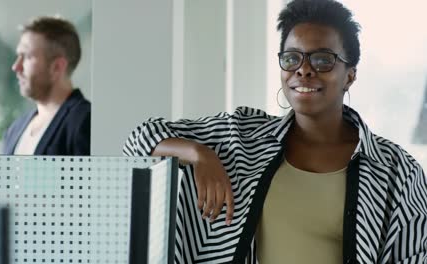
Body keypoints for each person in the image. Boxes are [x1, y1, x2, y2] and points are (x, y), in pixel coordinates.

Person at [124, 0, 427, 263]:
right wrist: (198, 154)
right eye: (292, 57)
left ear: (350, 75)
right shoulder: (240, 136)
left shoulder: (397, 171)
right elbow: (139, 139)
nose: (303, 69)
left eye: (322, 59)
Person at [3, 16, 90, 155]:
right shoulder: (15, 128)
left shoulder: (83, 122)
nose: (16, 66)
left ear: (57, 67)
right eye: (18, 56)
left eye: (27, 57)